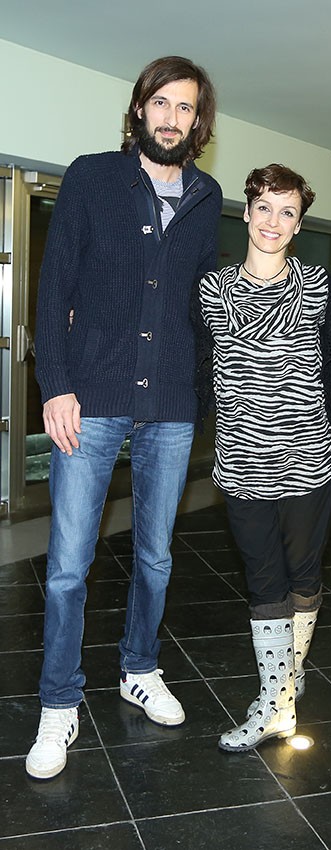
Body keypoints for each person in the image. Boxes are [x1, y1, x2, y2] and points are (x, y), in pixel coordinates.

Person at [26, 56, 222, 780]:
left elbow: (199, 302)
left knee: (156, 557)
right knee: (67, 568)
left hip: (169, 404)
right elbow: (56, 286)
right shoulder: (92, 176)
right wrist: (56, 385)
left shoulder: (207, 196)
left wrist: (210, 392)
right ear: (139, 110)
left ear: (198, 122)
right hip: (92, 400)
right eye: (160, 103)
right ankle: (58, 701)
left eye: (185, 107)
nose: (172, 118)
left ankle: (140, 668)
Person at [198, 164, 331, 751]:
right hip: (242, 465)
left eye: (287, 212)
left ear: (298, 224)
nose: (273, 222)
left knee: (304, 578)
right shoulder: (212, 290)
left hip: (309, 460)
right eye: (264, 208)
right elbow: (208, 363)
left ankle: (286, 684)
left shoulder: (320, 286)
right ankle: (277, 703)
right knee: (264, 583)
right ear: (247, 212)